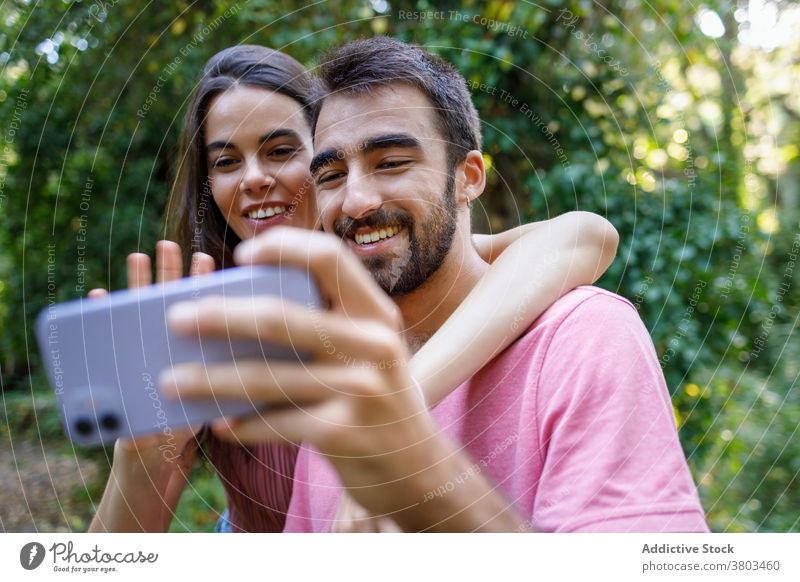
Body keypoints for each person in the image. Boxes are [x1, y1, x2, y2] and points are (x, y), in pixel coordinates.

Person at [158, 37, 710, 532]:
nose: (356, 200)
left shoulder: (579, 337)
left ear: (468, 176)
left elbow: (582, 235)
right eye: (330, 175)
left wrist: (408, 444)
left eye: (392, 162)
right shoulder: (321, 373)